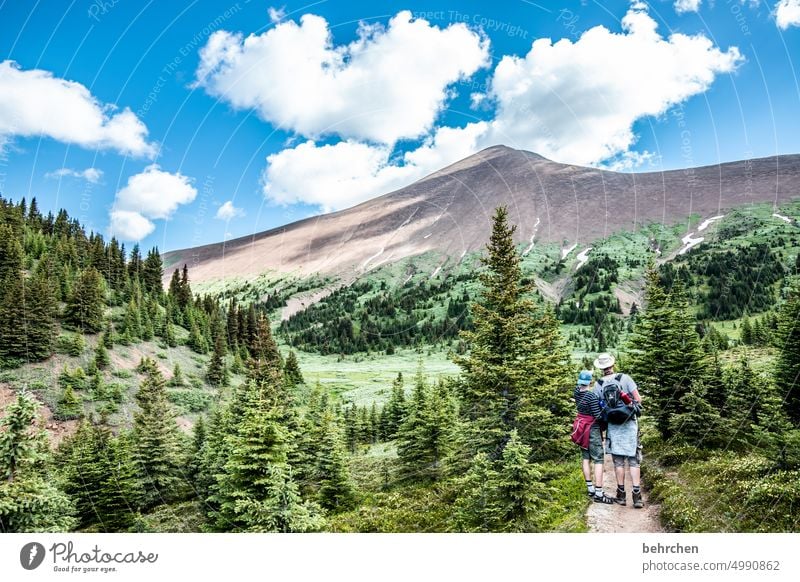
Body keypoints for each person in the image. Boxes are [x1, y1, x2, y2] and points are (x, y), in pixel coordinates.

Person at [592, 353, 644, 509]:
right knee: (634, 460)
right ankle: (637, 496)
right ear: (612, 365)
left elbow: (598, 409)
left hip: (613, 426)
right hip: (629, 424)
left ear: (601, 368)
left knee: (618, 461)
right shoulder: (625, 378)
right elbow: (638, 399)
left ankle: (621, 495)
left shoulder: (598, 385)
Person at [571, 370, 614, 504]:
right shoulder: (591, 396)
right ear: (590, 382)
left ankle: (590, 489)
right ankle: (599, 493)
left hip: (581, 427)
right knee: (598, 459)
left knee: (586, 458)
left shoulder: (576, 392)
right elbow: (598, 415)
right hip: (592, 428)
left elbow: (580, 387)